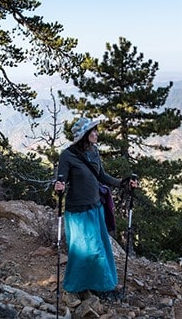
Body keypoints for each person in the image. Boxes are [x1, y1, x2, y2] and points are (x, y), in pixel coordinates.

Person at [54, 116, 136, 296]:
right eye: (93, 131)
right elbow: (61, 182)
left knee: (100, 247)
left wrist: (123, 183)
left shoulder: (94, 151)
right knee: (85, 251)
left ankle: (100, 285)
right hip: (78, 211)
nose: (97, 134)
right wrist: (58, 187)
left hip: (96, 207)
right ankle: (84, 286)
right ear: (85, 135)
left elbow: (101, 176)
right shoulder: (67, 155)